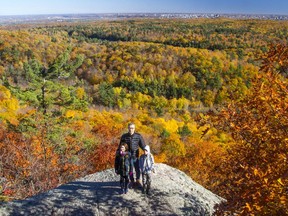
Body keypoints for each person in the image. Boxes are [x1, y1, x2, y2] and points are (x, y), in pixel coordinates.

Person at [119, 123, 146, 187]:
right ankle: (132, 181)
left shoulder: (138, 136)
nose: (131, 129)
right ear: (128, 128)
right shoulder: (124, 136)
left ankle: (138, 180)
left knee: (137, 169)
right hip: (127, 156)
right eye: (130, 128)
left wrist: (146, 151)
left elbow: (143, 145)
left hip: (135, 156)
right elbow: (121, 146)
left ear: (134, 128)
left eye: (132, 128)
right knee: (130, 170)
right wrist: (119, 152)